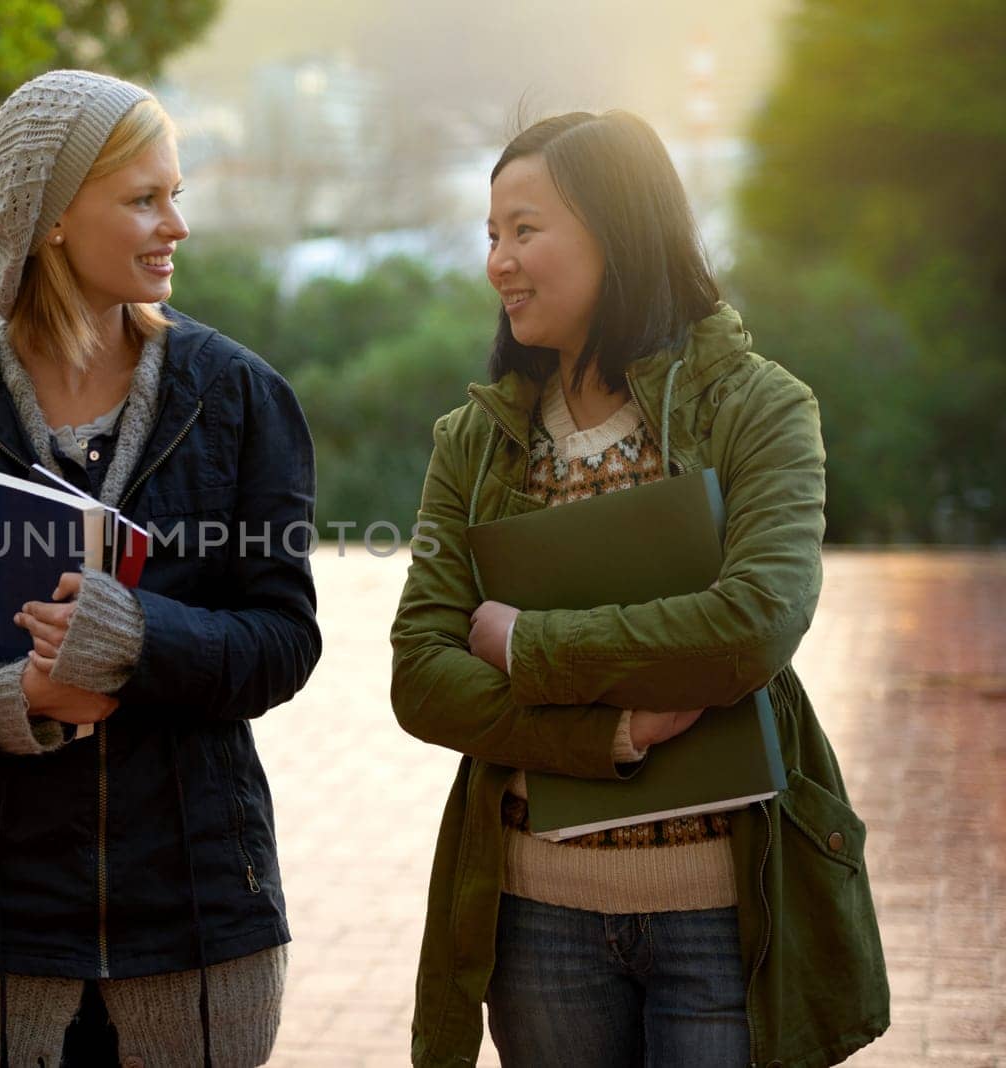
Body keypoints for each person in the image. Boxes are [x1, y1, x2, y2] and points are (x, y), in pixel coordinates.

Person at [390, 111, 889, 1068]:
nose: (499, 262)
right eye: (491, 235)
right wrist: (611, 733)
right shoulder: (476, 440)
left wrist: (529, 646)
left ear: (617, 231)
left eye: (525, 230)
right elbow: (421, 676)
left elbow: (755, 623)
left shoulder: (760, 406)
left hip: (722, 915)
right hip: (536, 919)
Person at [0, 70, 321, 1068]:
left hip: (199, 911)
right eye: (144, 198)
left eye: (175, 195)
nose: (175, 227)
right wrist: (13, 693)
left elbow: (284, 641)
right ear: (53, 219)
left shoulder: (241, 399)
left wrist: (139, 637)